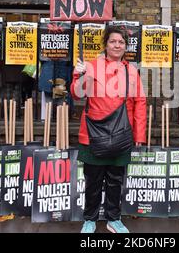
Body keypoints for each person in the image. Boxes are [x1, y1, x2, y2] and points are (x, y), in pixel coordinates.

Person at [70, 26, 147, 233]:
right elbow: (78, 94)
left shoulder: (131, 70)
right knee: (93, 181)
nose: (117, 45)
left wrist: (139, 134)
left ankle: (114, 219)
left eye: (121, 42)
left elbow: (140, 102)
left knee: (115, 180)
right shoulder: (92, 66)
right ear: (106, 44)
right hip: (93, 134)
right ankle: (90, 219)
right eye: (113, 41)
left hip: (122, 135)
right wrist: (77, 76)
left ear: (125, 47)